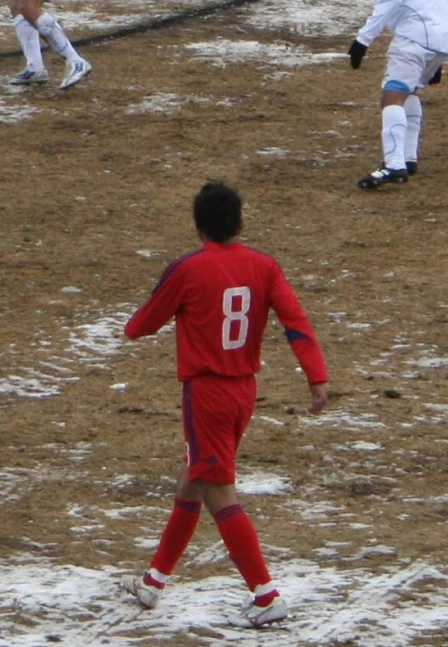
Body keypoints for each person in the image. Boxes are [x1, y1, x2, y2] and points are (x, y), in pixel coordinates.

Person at [123, 182, 329, 630]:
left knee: (217, 490)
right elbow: (296, 322)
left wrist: (149, 313)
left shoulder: (188, 270)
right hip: (244, 391)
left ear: (198, 227)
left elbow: (140, 327)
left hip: (207, 394)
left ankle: (265, 593)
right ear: (240, 223)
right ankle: (154, 581)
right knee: (192, 477)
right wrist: (316, 377)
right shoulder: (264, 267)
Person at [346, 0, 448, 189]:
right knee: (409, 91)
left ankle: (394, 165)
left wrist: (362, 40)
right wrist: (438, 55)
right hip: (442, 35)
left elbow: (390, 0)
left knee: (392, 95)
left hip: (416, 34)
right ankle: (408, 158)